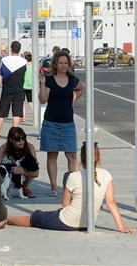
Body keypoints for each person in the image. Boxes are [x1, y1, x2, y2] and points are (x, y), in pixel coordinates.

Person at [7, 142, 137, 234]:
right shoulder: (107, 175)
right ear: (98, 157)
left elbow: (65, 204)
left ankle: (8, 219)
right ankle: (8, 219)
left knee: (36, 217)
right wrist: (122, 228)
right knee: (46, 215)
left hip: (67, 221)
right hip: (88, 223)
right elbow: (111, 202)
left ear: (82, 158)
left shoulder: (74, 176)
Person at [39, 49, 84, 196]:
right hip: (50, 123)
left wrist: (74, 98)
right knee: (52, 155)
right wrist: (42, 84)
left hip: (68, 124)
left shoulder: (72, 80)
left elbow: (81, 89)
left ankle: (74, 188)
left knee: (72, 155)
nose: (63, 65)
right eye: (60, 63)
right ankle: (53, 187)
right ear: (56, 65)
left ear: (69, 64)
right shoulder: (50, 80)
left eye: (66, 63)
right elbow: (42, 99)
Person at [0, 41, 27, 140]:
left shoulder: (4, 59)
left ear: (11, 48)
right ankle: (15, 135)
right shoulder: (23, 61)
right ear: (19, 49)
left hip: (7, 88)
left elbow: (1, 73)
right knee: (17, 112)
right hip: (19, 89)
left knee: (1, 112)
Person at [0, 127, 39, 198]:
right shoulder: (4, 148)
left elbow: (36, 173)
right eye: (18, 139)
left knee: (30, 167)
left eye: (23, 138)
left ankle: (25, 186)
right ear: (11, 139)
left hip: (22, 176)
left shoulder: (29, 148)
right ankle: (6, 188)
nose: (21, 141)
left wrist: (22, 172)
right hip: (7, 176)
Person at [23, 52, 34, 121]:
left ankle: (23, 116)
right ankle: (35, 115)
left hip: (23, 85)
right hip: (31, 86)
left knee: (22, 102)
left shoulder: (24, 67)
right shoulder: (35, 67)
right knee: (31, 102)